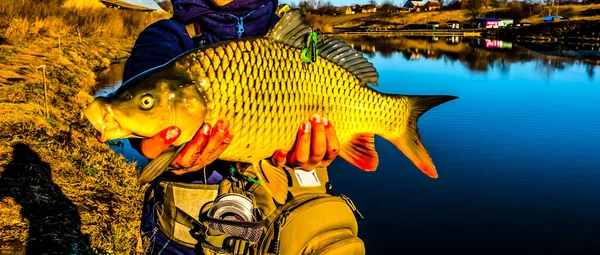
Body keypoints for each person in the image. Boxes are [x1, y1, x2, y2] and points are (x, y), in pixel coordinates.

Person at [121, 0, 340, 254]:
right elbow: (146, 83)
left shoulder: (295, 39)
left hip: (286, 229)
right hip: (189, 237)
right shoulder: (166, 38)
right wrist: (156, 142)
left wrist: (318, 147)